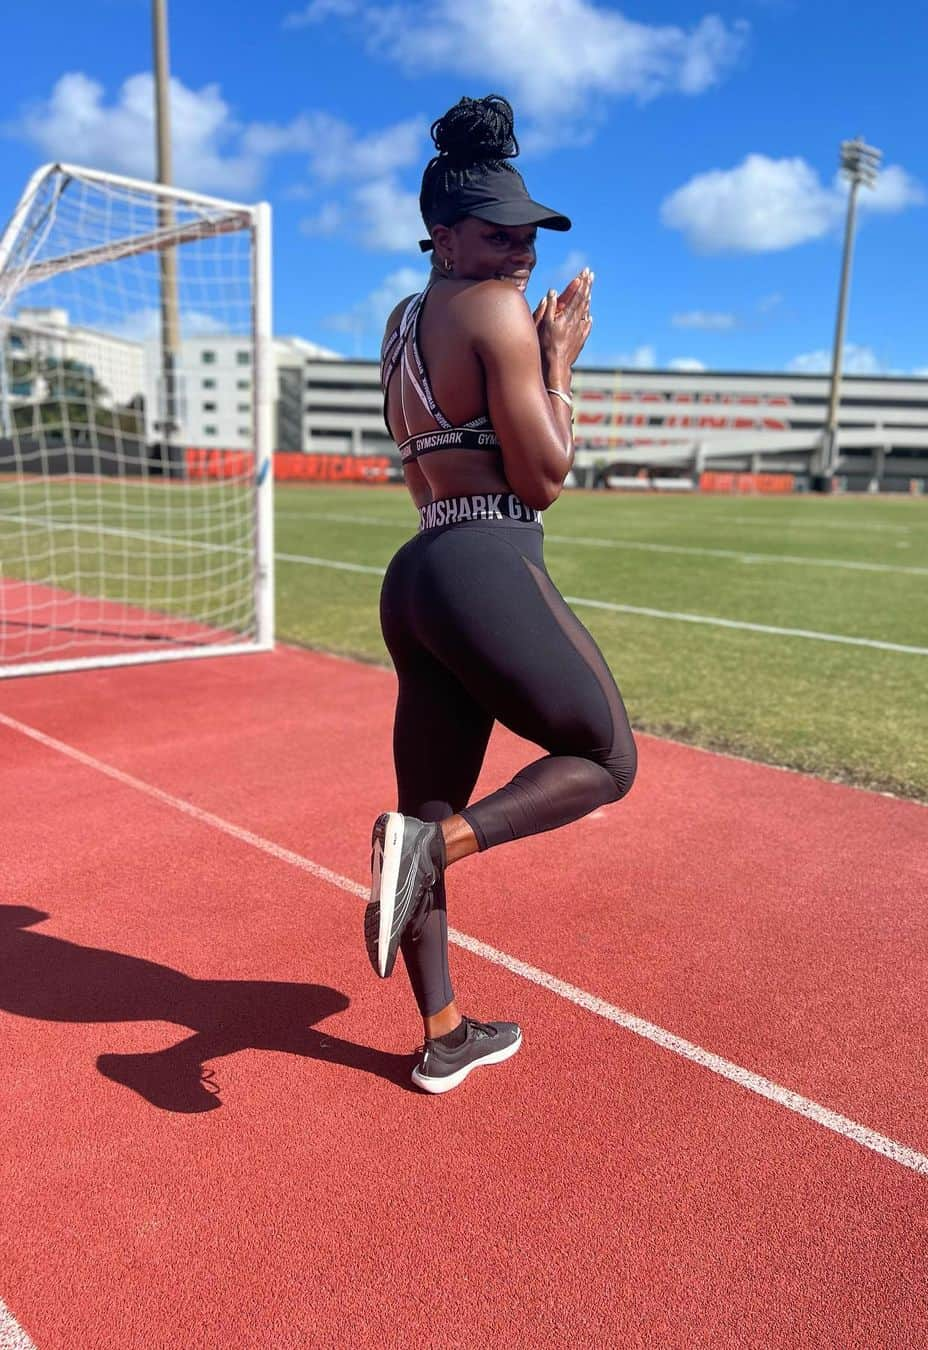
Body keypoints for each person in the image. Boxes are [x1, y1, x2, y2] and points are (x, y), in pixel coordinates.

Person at [368, 94, 637, 1094]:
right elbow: (544, 479)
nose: (520, 249)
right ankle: (431, 847)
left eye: (530, 231)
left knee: (419, 802)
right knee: (606, 759)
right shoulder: (491, 312)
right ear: (443, 235)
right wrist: (560, 364)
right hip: (485, 559)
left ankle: (444, 1033)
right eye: (497, 232)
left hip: (419, 571)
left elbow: (416, 464)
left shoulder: (401, 327)